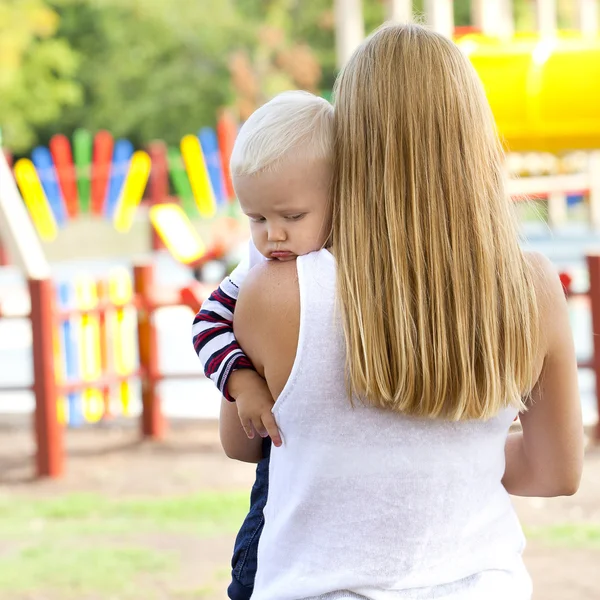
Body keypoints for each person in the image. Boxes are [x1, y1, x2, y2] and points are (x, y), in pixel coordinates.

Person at [221, 23, 584, 599]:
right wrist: (446, 458)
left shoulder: (276, 291)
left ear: (348, 147)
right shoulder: (532, 285)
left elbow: (245, 442)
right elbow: (555, 473)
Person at [191, 90, 334, 599]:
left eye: (292, 217)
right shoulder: (258, 271)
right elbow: (207, 324)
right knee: (251, 572)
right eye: (256, 220)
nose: (272, 235)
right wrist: (242, 381)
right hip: (278, 471)